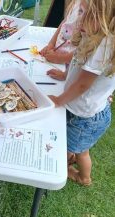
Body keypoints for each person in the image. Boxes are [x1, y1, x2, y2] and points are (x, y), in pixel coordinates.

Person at [49, 0, 115, 186]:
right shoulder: (93, 34)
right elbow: (79, 63)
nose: (80, 19)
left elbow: (82, 86)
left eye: (88, 15)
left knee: (82, 151)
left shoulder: (105, 47)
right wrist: (64, 74)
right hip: (81, 108)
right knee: (72, 143)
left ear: (106, 18)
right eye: (81, 11)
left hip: (86, 117)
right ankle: (70, 153)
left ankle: (84, 177)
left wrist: (59, 100)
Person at [40, 0, 86, 81]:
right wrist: (51, 45)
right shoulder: (77, 2)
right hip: (57, 55)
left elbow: (86, 47)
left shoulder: (94, 7)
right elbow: (65, 22)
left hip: (71, 65)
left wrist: (60, 58)